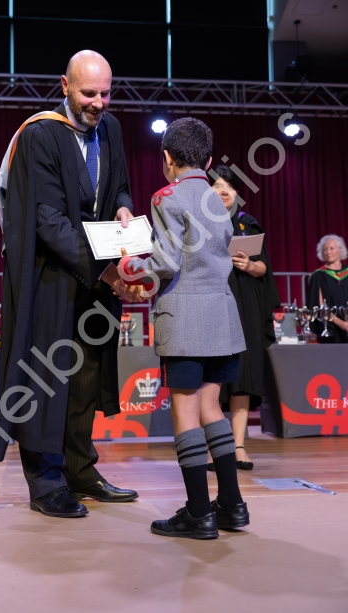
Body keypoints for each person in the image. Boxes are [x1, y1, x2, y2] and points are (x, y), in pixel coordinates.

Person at [0, 50, 145, 518]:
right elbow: (47, 220)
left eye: (106, 93)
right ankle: (46, 479)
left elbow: (119, 184)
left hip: (94, 277)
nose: (98, 103)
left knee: (86, 375)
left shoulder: (111, 129)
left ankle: (80, 469)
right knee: (48, 377)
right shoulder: (40, 135)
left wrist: (122, 205)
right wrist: (105, 271)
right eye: (88, 93)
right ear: (65, 85)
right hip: (50, 276)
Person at [119, 118, 249, 539]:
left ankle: (198, 512)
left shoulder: (167, 196)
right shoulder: (219, 200)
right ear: (208, 161)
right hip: (222, 315)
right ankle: (231, 505)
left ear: (167, 158)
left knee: (186, 411)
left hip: (186, 318)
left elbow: (166, 262)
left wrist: (127, 264)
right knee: (213, 409)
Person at [208, 166, 280, 470]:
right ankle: (213, 449)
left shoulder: (246, 224)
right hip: (211, 303)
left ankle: (238, 447)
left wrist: (249, 265)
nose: (225, 191)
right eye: (218, 186)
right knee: (211, 377)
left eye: (230, 186)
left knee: (242, 377)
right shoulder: (200, 225)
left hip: (244, 305)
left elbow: (263, 269)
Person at [307, 234, 348, 343]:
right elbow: (320, 306)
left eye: (331, 248)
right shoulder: (318, 276)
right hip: (329, 327)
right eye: (325, 249)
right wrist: (340, 323)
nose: (328, 252)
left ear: (340, 250)